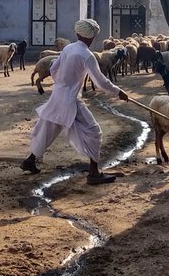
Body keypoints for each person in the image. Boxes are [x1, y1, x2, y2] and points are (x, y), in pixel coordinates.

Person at [20, 19, 129, 185]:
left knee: (47, 128)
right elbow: (100, 82)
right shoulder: (87, 56)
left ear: (78, 33)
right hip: (71, 100)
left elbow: (53, 69)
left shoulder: (68, 48)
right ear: (92, 37)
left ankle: (30, 160)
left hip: (57, 95)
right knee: (94, 131)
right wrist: (118, 92)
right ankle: (94, 173)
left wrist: (62, 83)